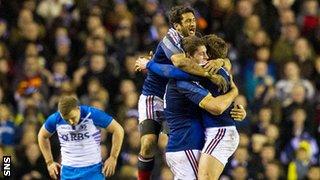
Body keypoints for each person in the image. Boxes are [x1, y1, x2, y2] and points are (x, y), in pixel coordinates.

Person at [135, 6, 228, 180]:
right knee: (149, 144)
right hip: (155, 95)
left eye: (193, 20)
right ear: (177, 26)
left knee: (179, 143)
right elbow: (181, 65)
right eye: (187, 21)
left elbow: (220, 56)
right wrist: (209, 74)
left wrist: (220, 61)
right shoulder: (170, 38)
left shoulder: (196, 41)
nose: (193, 24)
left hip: (178, 98)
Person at [164, 36, 244, 179]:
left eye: (206, 53)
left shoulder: (211, 71)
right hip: (213, 132)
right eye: (202, 53)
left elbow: (217, 107)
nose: (205, 56)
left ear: (211, 58)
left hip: (220, 132)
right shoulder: (217, 69)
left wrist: (149, 64)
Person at [38, 96, 124, 180]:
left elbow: (118, 130)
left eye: (72, 118)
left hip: (93, 170)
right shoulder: (56, 119)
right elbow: (42, 136)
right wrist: (49, 162)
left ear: (78, 108)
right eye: (66, 120)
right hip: (68, 172)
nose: (71, 122)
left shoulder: (92, 114)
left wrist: (113, 157)